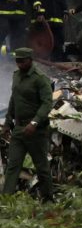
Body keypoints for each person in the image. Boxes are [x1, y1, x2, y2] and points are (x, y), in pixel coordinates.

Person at [2, 47, 53, 200]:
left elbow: (47, 103)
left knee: (41, 167)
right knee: (13, 165)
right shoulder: (16, 76)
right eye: (17, 61)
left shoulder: (40, 78)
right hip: (18, 129)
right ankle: (7, 199)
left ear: (30, 60)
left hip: (36, 131)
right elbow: (14, 100)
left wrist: (35, 122)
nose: (19, 64)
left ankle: (48, 199)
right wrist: (7, 122)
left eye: (22, 61)